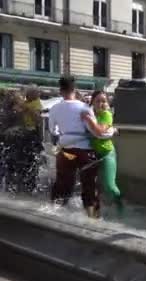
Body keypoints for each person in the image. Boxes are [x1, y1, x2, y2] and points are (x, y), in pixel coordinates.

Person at [48, 76, 101, 218]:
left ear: (60, 91)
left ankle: (55, 214)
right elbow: (93, 129)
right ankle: (92, 218)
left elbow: (53, 131)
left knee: (62, 183)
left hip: (66, 150)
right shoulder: (84, 107)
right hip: (85, 150)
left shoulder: (55, 108)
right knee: (89, 185)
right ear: (74, 89)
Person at [81, 91, 124, 214]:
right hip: (92, 154)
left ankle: (121, 208)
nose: (101, 104)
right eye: (98, 101)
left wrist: (89, 120)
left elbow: (100, 131)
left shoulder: (107, 114)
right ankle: (95, 211)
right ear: (92, 103)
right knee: (92, 186)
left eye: (104, 101)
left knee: (110, 186)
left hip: (107, 153)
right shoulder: (89, 113)